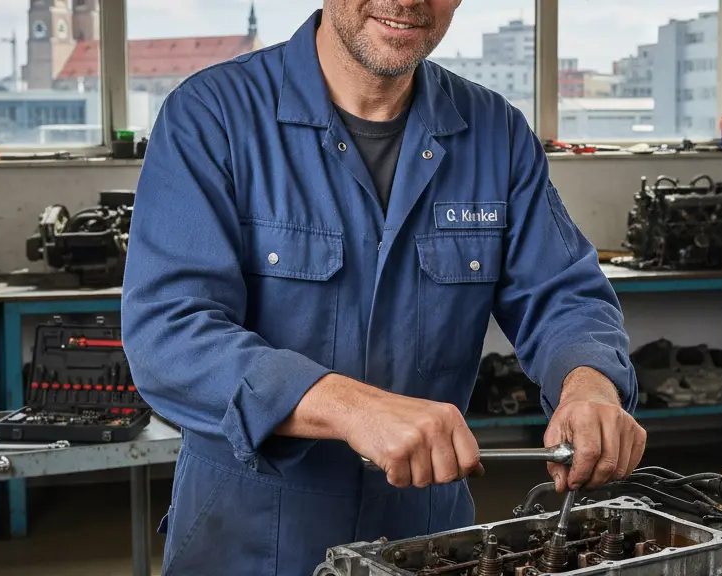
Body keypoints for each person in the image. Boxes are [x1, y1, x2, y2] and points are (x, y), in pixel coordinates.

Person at [121, 1, 646, 574]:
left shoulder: (497, 133)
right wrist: (352, 408)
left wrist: (589, 385)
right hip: (247, 540)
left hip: (426, 539)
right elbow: (169, 332)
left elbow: (564, 295)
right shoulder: (211, 115)